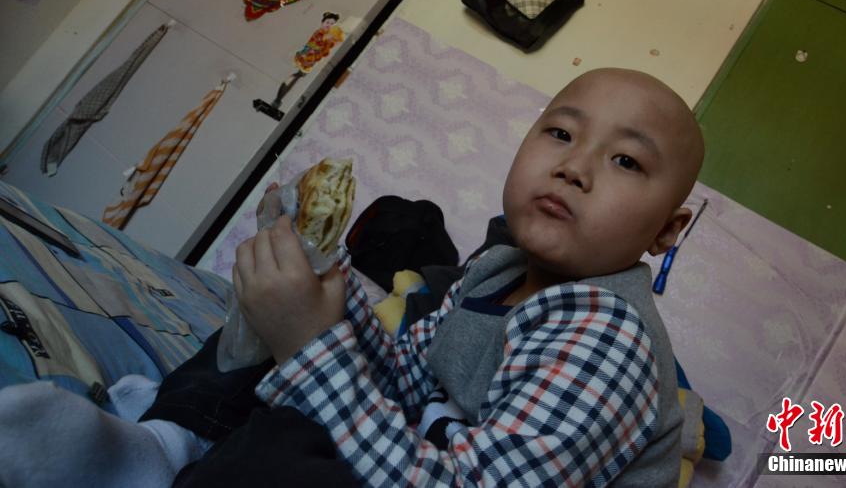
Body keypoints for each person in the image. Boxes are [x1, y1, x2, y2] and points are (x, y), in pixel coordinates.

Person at [0, 68, 704, 487]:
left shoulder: (608, 338)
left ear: (666, 231)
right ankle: (160, 446)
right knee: (271, 331)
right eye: (561, 133)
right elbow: (410, 376)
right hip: (423, 459)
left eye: (626, 162)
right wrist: (325, 295)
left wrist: (313, 346)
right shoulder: (496, 269)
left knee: (288, 445)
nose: (574, 167)